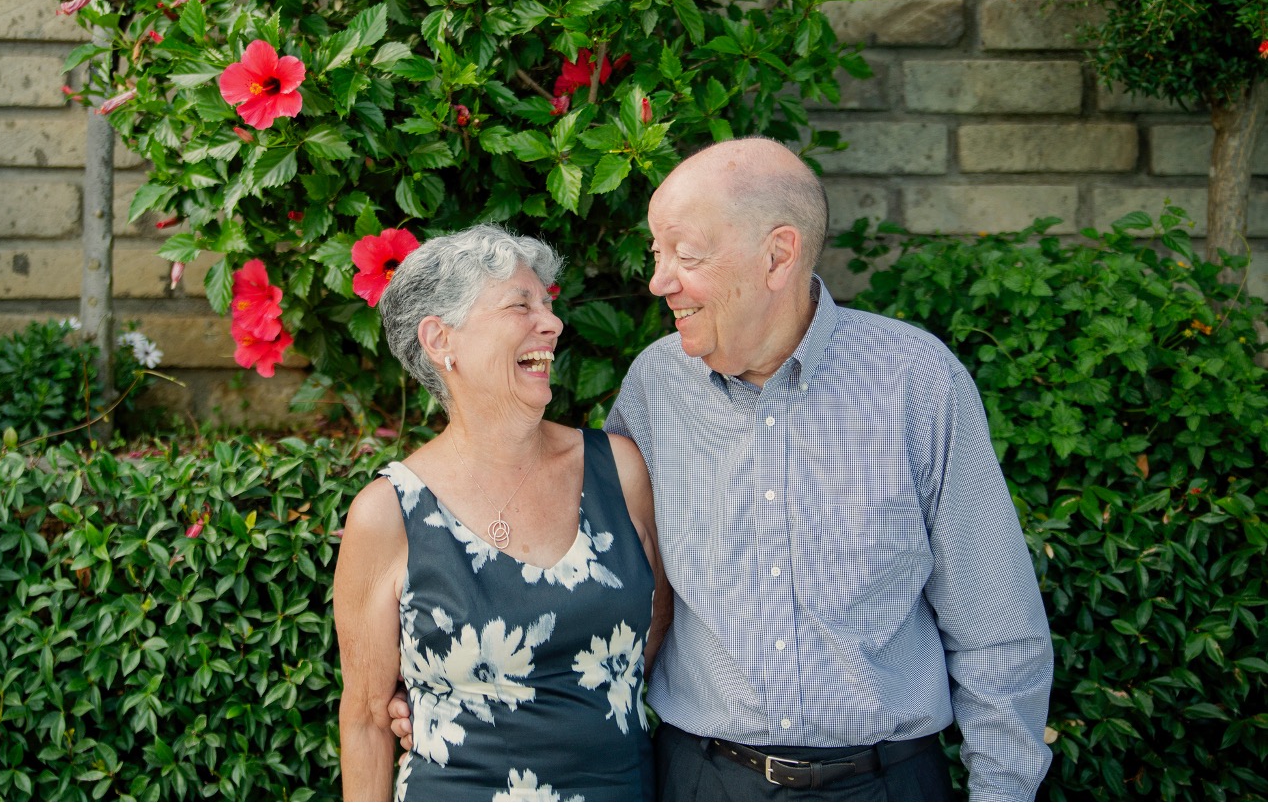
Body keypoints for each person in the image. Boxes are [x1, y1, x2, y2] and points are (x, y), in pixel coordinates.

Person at [392, 138, 1054, 800]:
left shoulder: (918, 382)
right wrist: (450, 687)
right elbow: (584, 580)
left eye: (685, 254)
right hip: (704, 781)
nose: (658, 281)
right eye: (657, 254)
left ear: (777, 256)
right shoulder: (654, 387)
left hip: (887, 782)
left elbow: (999, 633)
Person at [334, 224, 671, 801]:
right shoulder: (389, 513)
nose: (552, 322)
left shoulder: (619, 470)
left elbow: (657, 623)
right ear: (442, 340)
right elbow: (366, 718)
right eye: (521, 304)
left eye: (548, 303)